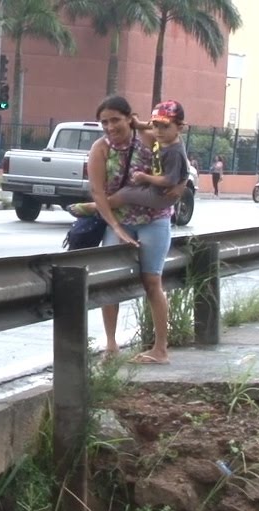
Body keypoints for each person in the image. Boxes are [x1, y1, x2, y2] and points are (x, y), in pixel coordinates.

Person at [87, 95, 184, 365]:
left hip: (154, 219)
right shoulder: (100, 148)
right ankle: (110, 345)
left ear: (129, 118)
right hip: (119, 221)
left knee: (152, 282)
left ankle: (160, 349)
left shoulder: (149, 138)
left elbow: (177, 155)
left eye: (115, 120)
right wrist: (116, 228)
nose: (110, 127)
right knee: (109, 283)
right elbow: (98, 191)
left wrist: (182, 183)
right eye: (104, 122)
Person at [68, 100, 189, 217]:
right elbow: (97, 190)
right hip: (142, 202)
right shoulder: (168, 138)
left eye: (165, 127)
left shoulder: (169, 148)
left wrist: (145, 177)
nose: (158, 131)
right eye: (156, 126)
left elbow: (173, 176)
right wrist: (138, 123)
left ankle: (95, 207)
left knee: (126, 194)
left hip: (160, 200)